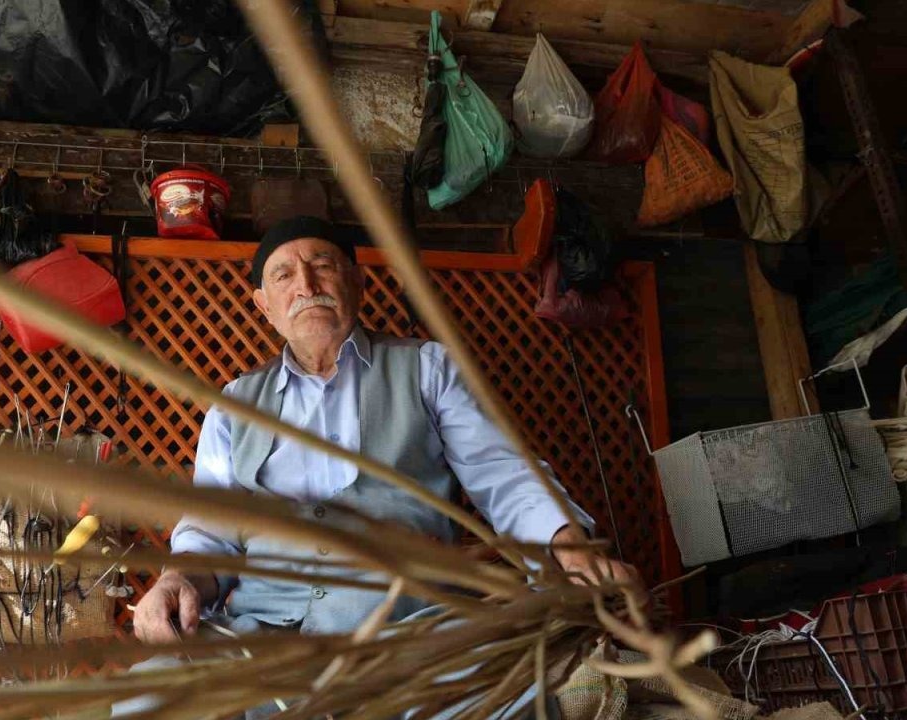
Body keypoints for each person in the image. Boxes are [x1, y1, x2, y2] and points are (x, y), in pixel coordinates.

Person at [127, 216, 639, 714]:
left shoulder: (426, 368)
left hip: (408, 630)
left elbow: (503, 474)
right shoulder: (233, 405)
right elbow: (209, 537)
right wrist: (177, 581)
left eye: (323, 265)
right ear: (265, 305)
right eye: (283, 274)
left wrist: (570, 551)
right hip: (260, 638)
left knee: (516, 696)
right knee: (145, 700)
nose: (305, 284)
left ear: (357, 281)